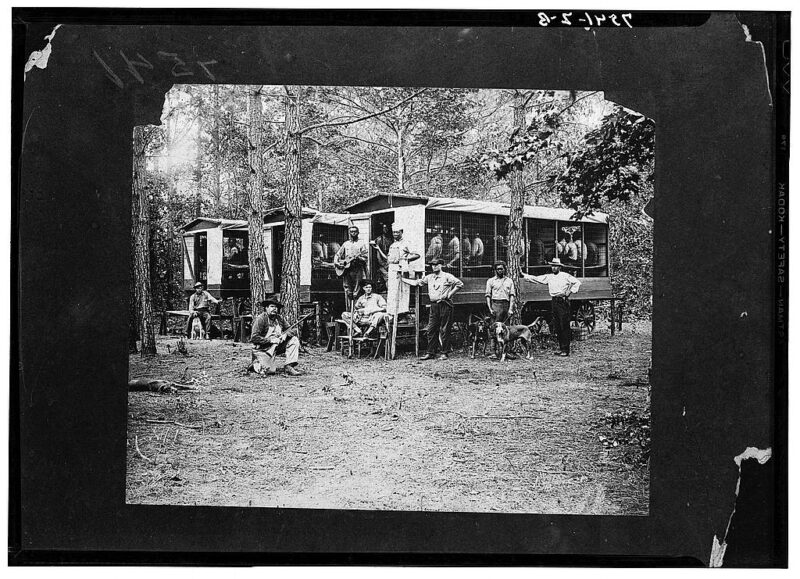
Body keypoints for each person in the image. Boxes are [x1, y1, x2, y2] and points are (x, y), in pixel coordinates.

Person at [403, 258, 463, 360]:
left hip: (445, 305)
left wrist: (449, 294)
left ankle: (444, 353)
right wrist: (402, 279)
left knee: (445, 329)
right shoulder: (429, 277)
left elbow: (460, 284)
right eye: (432, 265)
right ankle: (430, 353)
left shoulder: (447, 276)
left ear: (441, 265)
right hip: (434, 306)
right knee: (431, 329)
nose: (434, 266)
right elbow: (417, 283)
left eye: (436, 264)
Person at [522, 257, 581, 357]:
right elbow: (537, 279)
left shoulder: (565, 276)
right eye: (552, 266)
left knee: (564, 325)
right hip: (554, 301)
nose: (554, 268)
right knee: (557, 325)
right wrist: (524, 275)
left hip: (563, 301)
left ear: (559, 267)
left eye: (556, 266)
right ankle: (561, 348)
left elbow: (577, 282)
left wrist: (569, 292)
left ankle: (566, 350)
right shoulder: (549, 277)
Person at [372, 223, 420, 318]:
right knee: (392, 291)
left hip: (401, 270)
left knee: (402, 292)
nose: (395, 234)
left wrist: (405, 259)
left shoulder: (407, 243)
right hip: (392, 270)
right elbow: (388, 259)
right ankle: (392, 313)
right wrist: (378, 249)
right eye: (394, 232)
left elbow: (417, 255)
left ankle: (402, 313)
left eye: (397, 232)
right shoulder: (393, 245)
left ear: (401, 232)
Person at [250, 297, 302, 376]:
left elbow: (293, 330)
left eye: (276, 307)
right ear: (266, 308)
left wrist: (286, 335)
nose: (274, 309)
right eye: (272, 306)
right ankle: (255, 364)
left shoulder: (280, 318)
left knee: (294, 340)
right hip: (262, 349)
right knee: (270, 371)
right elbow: (254, 337)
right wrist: (271, 340)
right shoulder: (261, 319)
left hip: (276, 347)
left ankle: (289, 366)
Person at [334, 225, 369, 310]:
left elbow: (365, 257)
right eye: (351, 232)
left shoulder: (361, 244)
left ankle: (356, 312)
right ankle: (349, 311)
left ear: (358, 233)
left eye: (355, 232)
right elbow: (338, 254)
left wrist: (359, 258)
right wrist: (337, 263)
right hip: (346, 270)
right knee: (348, 290)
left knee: (357, 290)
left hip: (357, 269)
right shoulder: (346, 244)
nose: (353, 233)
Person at [372, 223, 393, 292]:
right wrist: (382, 264)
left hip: (389, 261)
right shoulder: (379, 239)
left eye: (387, 228)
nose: (385, 229)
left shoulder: (390, 239)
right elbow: (378, 254)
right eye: (384, 228)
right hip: (382, 263)